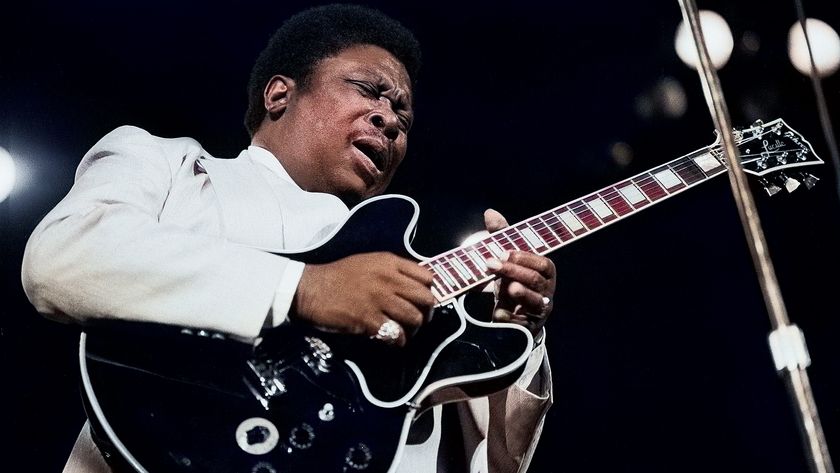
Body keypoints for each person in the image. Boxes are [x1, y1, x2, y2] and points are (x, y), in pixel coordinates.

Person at [21, 4, 555, 472]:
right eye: (370, 91)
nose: (389, 119)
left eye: (403, 115)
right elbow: (63, 257)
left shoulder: (409, 272)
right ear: (280, 94)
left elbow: (493, 464)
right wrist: (303, 287)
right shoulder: (169, 164)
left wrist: (511, 331)